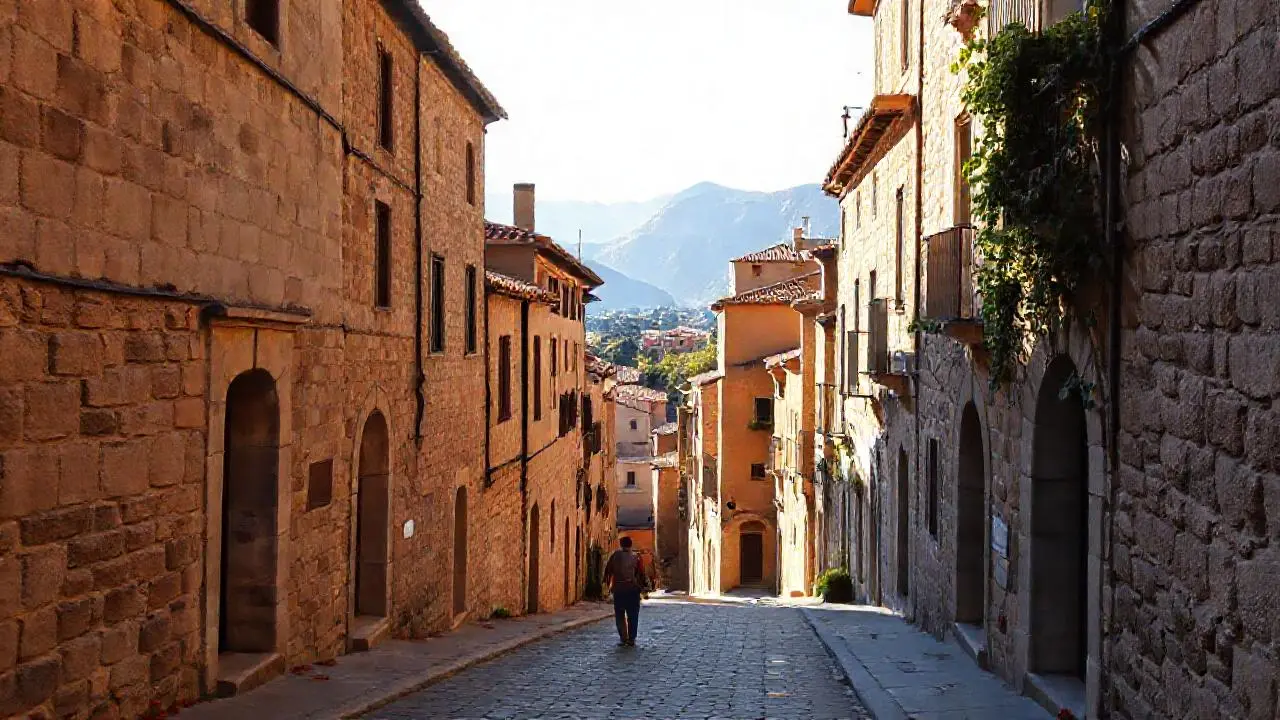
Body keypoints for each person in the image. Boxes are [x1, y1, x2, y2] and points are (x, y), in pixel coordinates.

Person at [603, 537, 646, 646]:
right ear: (631, 545)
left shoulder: (615, 556)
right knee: (633, 615)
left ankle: (623, 637)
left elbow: (608, 570)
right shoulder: (637, 557)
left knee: (620, 615)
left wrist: (608, 584)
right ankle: (632, 638)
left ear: (621, 545)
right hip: (633, 590)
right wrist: (642, 588)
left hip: (619, 589)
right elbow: (641, 574)